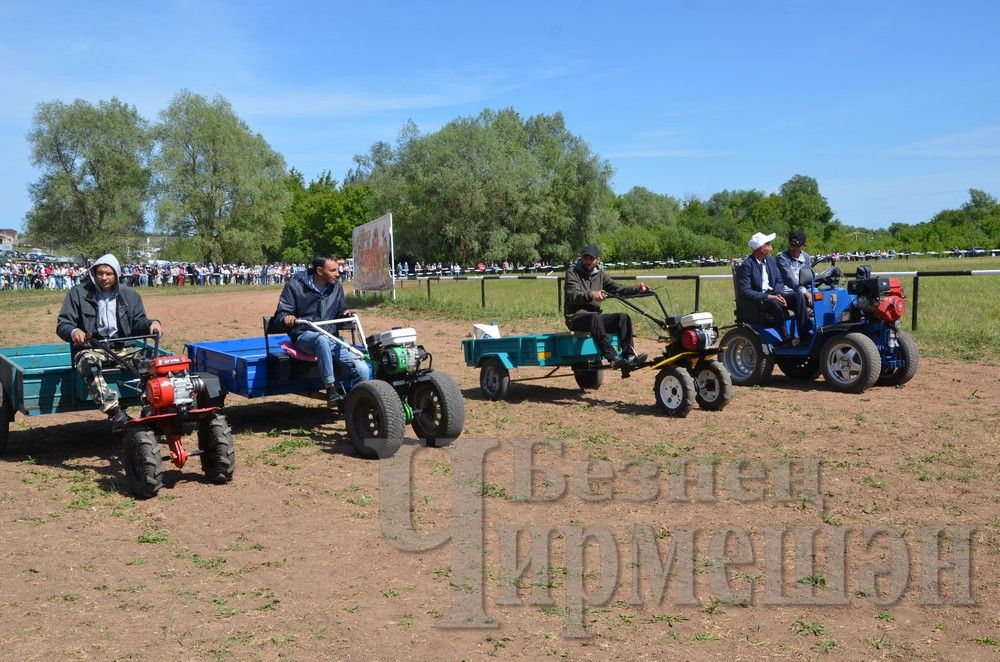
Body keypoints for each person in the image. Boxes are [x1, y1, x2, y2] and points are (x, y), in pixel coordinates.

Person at [56, 254, 163, 432]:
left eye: (108, 274)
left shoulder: (130, 295)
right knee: (86, 361)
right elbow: (63, 324)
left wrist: (151, 324)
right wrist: (74, 331)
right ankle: (115, 412)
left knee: (150, 361)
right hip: (93, 348)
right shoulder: (78, 293)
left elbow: (138, 322)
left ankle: (149, 407)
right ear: (93, 273)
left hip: (123, 348)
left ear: (117, 275)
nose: (104, 278)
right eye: (99, 273)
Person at [273, 254, 368, 407]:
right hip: (304, 336)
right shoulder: (295, 285)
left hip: (332, 338)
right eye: (333, 270)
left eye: (338, 269)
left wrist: (345, 314)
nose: (339, 273)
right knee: (320, 339)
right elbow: (280, 316)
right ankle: (330, 389)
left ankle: (357, 407)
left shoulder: (337, 286)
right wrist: (286, 318)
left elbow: (340, 311)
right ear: (319, 270)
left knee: (363, 368)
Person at [564, 245, 649, 370]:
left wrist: (638, 289)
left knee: (623, 318)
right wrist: (590, 295)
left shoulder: (601, 274)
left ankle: (629, 356)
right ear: (581, 258)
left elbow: (617, 289)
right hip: (575, 317)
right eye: (585, 258)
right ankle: (613, 358)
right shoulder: (572, 273)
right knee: (594, 317)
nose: (587, 261)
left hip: (594, 319)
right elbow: (573, 295)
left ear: (598, 259)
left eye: (590, 259)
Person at [737, 232, 810, 343]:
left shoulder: (771, 261)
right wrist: (770, 297)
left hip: (774, 295)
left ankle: (804, 336)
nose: (771, 247)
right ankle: (786, 338)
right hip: (760, 301)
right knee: (774, 303)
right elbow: (744, 291)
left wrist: (778, 294)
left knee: (798, 296)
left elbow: (779, 281)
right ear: (761, 248)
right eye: (769, 244)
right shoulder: (748, 265)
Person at [776, 229, 815, 340]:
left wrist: (811, 290)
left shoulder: (806, 257)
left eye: (796, 246)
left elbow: (808, 276)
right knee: (800, 297)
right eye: (791, 245)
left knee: (823, 295)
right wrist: (805, 292)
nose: (793, 248)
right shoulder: (782, 257)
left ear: (803, 246)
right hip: (786, 293)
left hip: (802, 291)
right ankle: (805, 335)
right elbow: (790, 279)